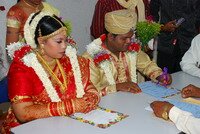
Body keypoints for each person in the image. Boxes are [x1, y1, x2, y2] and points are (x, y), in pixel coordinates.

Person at [0, 11, 100, 133]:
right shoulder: (23, 68)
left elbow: (86, 84)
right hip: (31, 127)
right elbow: (23, 112)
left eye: (65, 40)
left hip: (67, 123)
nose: (64, 46)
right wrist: (70, 106)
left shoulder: (68, 58)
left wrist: (92, 95)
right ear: (41, 42)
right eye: (59, 41)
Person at [83, 9, 172, 96]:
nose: (129, 41)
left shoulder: (131, 48)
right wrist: (116, 87)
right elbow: (90, 92)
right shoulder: (90, 58)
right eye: (124, 38)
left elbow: (147, 65)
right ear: (110, 37)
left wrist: (160, 75)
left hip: (131, 101)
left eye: (130, 37)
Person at [149, 0, 200, 74]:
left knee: (185, 78)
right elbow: (152, 16)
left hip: (187, 43)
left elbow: (198, 18)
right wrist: (163, 28)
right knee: (163, 78)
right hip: (165, 42)